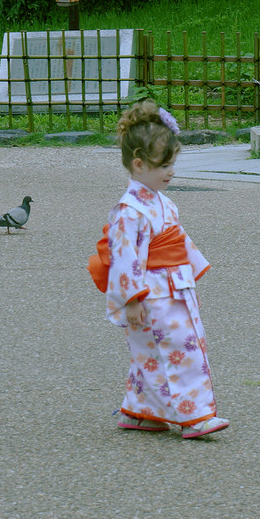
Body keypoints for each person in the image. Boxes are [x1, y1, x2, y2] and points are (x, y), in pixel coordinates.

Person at [89, 100, 229, 439]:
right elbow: (124, 257)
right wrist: (131, 299)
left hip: (172, 286)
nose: (171, 171)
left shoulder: (162, 202)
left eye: (172, 163)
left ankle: (142, 412)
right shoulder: (130, 210)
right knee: (181, 349)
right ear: (138, 164)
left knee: (153, 354)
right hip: (150, 292)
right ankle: (195, 416)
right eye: (163, 165)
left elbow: (176, 241)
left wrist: (188, 268)